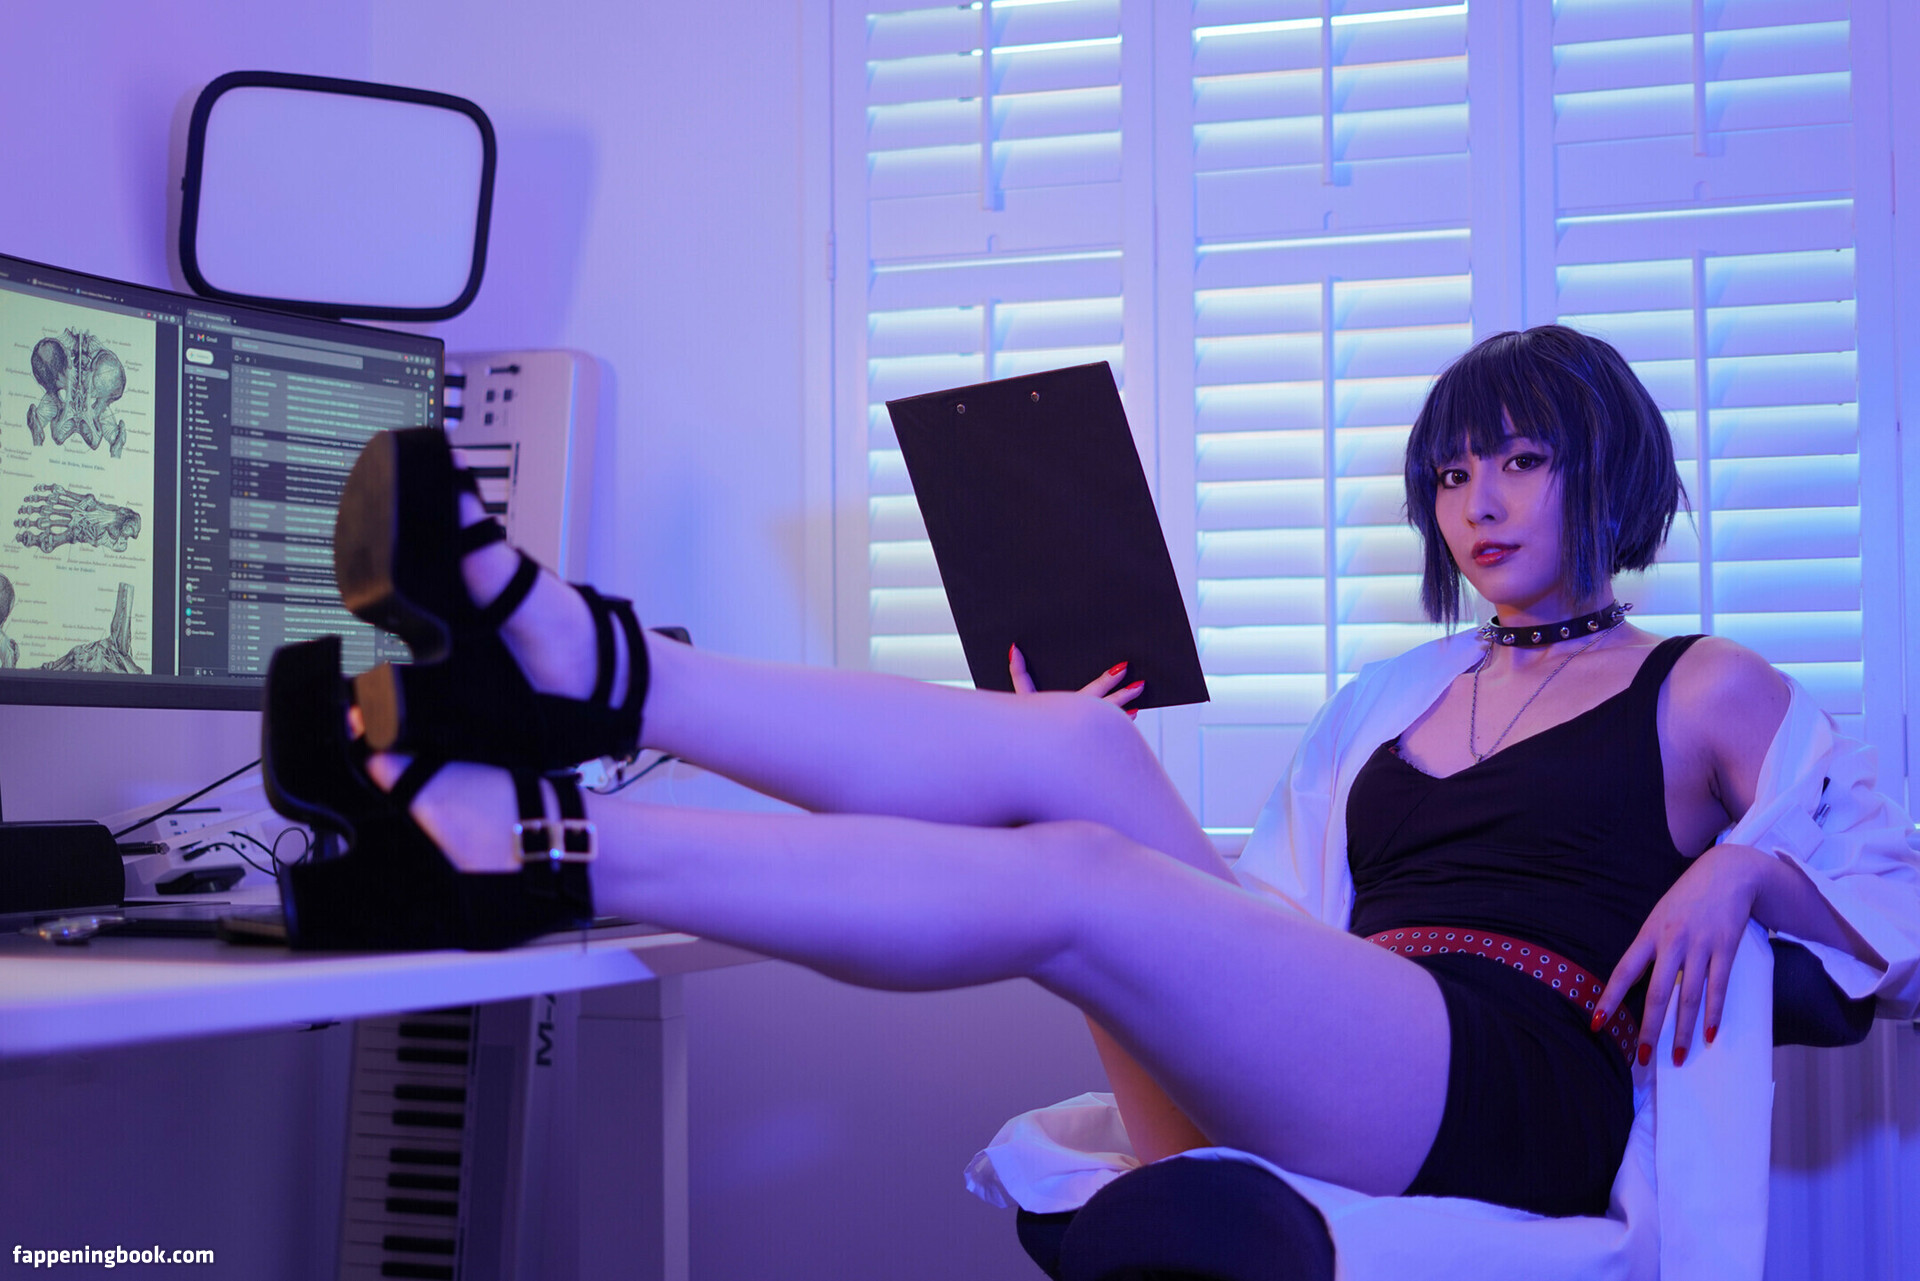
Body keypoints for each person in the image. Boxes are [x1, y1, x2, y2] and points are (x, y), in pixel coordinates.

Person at [265, 326, 1920, 1280]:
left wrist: (1743, 875)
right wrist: (1058, 746)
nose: (1475, 501)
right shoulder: (1395, 695)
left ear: (1610, 470)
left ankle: (536, 834)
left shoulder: (1704, 682)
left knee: (1076, 872)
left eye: (1520, 462)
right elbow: (1274, 924)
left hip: (1510, 1087)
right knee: (1068, 753)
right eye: (1451, 470)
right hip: (1344, 1048)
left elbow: (1898, 928)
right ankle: (592, 670)